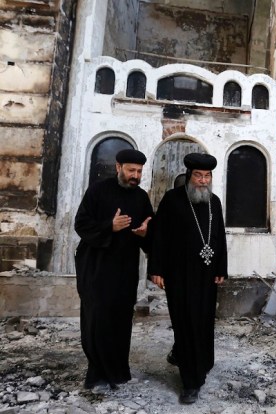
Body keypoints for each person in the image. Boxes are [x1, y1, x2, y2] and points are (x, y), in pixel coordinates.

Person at [148, 152, 227, 405]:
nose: (203, 181)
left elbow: (220, 237)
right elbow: (159, 236)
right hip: (179, 273)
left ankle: (198, 360)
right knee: (185, 321)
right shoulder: (172, 200)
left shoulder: (214, 202)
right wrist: (157, 269)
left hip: (206, 273)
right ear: (189, 176)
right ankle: (190, 383)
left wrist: (221, 269)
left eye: (207, 176)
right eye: (198, 176)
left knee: (203, 320)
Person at [74, 149, 153, 390]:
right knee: (96, 319)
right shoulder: (98, 191)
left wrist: (145, 234)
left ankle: (118, 371)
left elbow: (150, 231)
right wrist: (110, 225)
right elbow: (81, 224)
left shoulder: (141, 197)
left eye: (139, 172)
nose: (135, 176)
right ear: (118, 167)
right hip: (96, 268)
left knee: (120, 320)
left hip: (125, 270)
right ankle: (96, 371)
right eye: (131, 170)